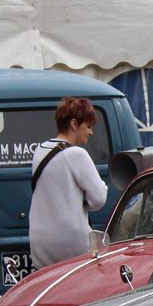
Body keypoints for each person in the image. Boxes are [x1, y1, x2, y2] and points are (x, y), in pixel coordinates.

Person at [29, 97, 107, 268]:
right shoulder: (76, 154)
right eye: (88, 126)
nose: (91, 132)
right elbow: (99, 199)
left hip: (40, 242)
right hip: (71, 243)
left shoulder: (40, 151)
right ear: (74, 124)